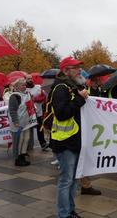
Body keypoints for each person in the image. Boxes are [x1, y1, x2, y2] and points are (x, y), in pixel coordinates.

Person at [50, 56, 88, 218]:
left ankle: (70, 211)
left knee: (73, 180)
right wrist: (80, 99)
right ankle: (64, 214)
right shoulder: (60, 88)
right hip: (64, 142)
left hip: (73, 141)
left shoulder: (73, 86)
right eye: (75, 67)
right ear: (66, 70)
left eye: (79, 67)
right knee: (66, 181)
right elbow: (62, 113)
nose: (79, 70)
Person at [8, 78, 37, 167]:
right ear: (17, 87)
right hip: (18, 122)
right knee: (19, 141)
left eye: (25, 85)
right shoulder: (14, 96)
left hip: (26, 122)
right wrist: (16, 122)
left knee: (26, 139)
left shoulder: (27, 94)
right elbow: (12, 110)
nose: (24, 86)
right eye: (22, 85)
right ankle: (18, 159)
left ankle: (23, 155)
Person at [25, 74, 48, 151]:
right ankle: (28, 145)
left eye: (31, 78)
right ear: (25, 80)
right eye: (28, 79)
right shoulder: (24, 89)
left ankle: (43, 144)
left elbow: (43, 97)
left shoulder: (38, 87)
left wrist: (34, 99)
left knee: (40, 129)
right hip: (28, 114)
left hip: (38, 112)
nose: (30, 80)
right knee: (28, 129)